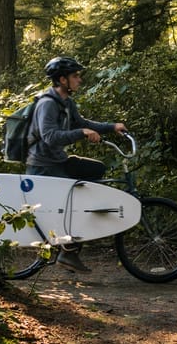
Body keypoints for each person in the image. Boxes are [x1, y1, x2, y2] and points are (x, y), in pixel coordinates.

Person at [26, 56, 128, 273]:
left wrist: (111, 127)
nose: (79, 80)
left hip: (59, 161)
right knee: (74, 201)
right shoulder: (47, 104)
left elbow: (83, 123)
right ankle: (68, 252)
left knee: (96, 169)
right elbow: (50, 137)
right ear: (62, 80)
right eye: (75, 76)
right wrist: (81, 133)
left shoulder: (66, 103)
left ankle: (70, 244)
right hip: (43, 166)